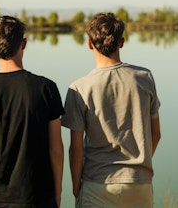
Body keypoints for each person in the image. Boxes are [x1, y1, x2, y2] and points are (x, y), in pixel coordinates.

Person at [61, 12, 161, 208]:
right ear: (121, 42)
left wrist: (76, 187)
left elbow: (76, 149)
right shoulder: (144, 77)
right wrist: (136, 166)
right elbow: (156, 134)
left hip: (97, 184)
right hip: (139, 184)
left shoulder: (79, 88)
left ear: (89, 44)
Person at [0, 16, 65, 208]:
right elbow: (56, 150)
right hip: (39, 197)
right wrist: (57, 192)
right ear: (24, 43)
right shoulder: (47, 88)